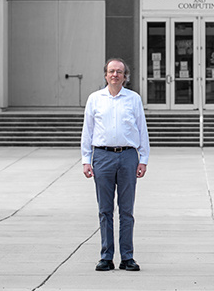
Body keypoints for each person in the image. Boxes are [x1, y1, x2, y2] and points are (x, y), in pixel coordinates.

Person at [81, 58, 150, 272]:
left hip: (128, 156)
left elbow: (142, 129)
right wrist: (86, 159)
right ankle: (106, 256)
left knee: (126, 211)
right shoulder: (95, 99)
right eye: (111, 71)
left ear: (125, 76)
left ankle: (127, 257)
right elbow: (88, 130)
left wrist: (143, 159)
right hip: (102, 157)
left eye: (119, 72)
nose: (115, 75)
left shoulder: (133, 99)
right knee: (105, 210)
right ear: (105, 75)